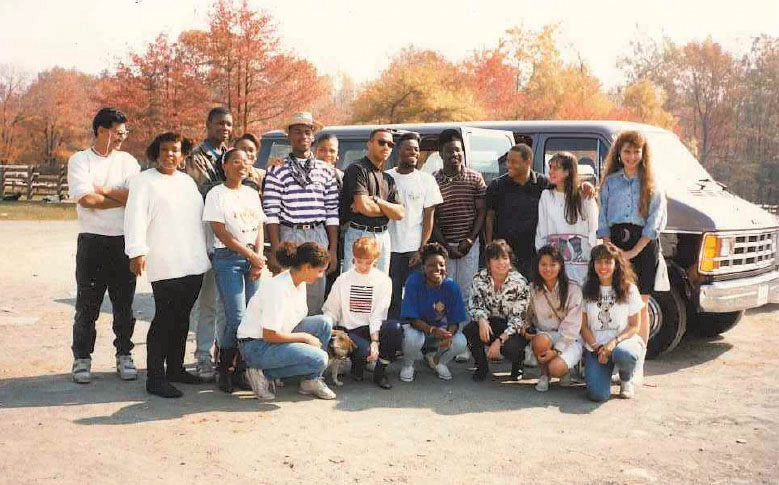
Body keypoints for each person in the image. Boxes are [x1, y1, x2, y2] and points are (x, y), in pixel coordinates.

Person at [125, 132, 212, 398]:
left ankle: (175, 368)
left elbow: (199, 218)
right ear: (156, 153)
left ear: (183, 154)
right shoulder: (143, 182)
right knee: (165, 318)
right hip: (165, 260)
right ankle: (155, 376)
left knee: (183, 317)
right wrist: (136, 251)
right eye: (165, 150)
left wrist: (208, 249)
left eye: (175, 150)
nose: (170, 155)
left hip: (193, 260)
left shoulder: (187, 182)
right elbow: (135, 217)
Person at [67, 107, 140, 384]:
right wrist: (119, 197)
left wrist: (103, 189)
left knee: (124, 305)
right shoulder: (80, 161)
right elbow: (86, 200)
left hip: (123, 241)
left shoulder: (128, 162)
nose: (122, 137)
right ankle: (82, 358)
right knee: (88, 305)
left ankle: (124, 354)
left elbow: (135, 196)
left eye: (125, 132)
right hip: (93, 241)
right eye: (118, 132)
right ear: (101, 130)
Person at [598, 131, 667, 360]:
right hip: (615, 245)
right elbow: (603, 217)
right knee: (617, 301)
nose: (631, 156)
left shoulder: (651, 182)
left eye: (636, 151)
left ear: (643, 153)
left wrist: (634, 251)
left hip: (643, 245)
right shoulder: (610, 181)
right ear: (619, 152)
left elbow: (655, 219)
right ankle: (617, 355)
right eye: (627, 151)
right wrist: (611, 249)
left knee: (640, 304)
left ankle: (638, 359)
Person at [237, 242, 337, 401]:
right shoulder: (278, 288)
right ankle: (261, 373)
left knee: (324, 323)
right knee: (320, 358)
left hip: (276, 337)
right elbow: (269, 335)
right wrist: (305, 338)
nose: (320, 276)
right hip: (256, 346)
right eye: (319, 271)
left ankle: (311, 381)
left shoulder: (300, 281)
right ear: (306, 267)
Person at [262, 112, 339, 315]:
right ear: (289, 135)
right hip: (290, 234)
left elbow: (332, 212)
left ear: (313, 137)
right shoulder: (277, 170)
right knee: (288, 291)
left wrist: (332, 250)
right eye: (297, 131)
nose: (303, 136)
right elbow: (271, 213)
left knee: (315, 292)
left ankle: (310, 341)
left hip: (317, 233)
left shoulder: (325, 171)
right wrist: (277, 248)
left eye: (307, 132)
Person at [203, 147, 266, 393]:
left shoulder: (251, 193)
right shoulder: (216, 194)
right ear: (225, 166)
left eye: (246, 161)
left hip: (252, 258)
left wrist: (258, 257)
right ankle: (224, 369)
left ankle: (241, 370)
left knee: (252, 317)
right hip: (228, 259)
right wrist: (250, 255)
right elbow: (220, 231)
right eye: (236, 161)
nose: (242, 165)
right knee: (236, 317)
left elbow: (259, 226)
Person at [185, 106, 234, 381]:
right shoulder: (196, 157)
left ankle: (224, 354)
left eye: (228, 125)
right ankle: (203, 356)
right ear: (208, 124)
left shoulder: (232, 155)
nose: (224, 129)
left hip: (232, 236)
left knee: (229, 304)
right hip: (206, 233)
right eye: (219, 124)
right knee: (208, 302)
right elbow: (205, 191)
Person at [322, 237, 403, 389]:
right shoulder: (343, 279)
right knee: (363, 351)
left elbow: (378, 314)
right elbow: (331, 309)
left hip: (372, 327)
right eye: (359, 261)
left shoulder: (383, 280)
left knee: (395, 329)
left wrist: (375, 341)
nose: (363, 266)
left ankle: (380, 371)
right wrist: (328, 328)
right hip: (350, 330)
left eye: (368, 262)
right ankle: (357, 366)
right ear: (353, 258)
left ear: (376, 260)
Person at [386, 132, 443, 318]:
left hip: (414, 250)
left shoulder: (426, 180)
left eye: (416, 150)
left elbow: (429, 217)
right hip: (388, 249)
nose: (413, 153)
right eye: (409, 148)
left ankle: (416, 336)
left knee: (415, 296)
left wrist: (422, 249)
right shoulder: (386, 177)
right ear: (398, 151)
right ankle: (393, 337)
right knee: (391, 297)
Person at [580, 243, 644, 401]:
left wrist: (613, 343)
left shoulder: (629, 289)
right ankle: (605, 373)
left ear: (616, 265)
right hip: (597, 348)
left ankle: (625, 377)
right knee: (598, 395)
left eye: (608, 262)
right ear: (593, 264)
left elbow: (635, 326)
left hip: (622, 343)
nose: (603, 267)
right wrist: (596, 347)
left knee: (624, 354)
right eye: (599, 262)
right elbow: (583, 326)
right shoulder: (586, 289)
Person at [398, 242, 468, 382]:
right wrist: (432, 330)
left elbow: (455, 320)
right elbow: (411, 319)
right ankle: (408, 365)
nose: (437, 268)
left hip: (438, 332)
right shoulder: (414, 281)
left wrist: (449, 334)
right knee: (413, 338)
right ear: (423, 268)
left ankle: (438, 361)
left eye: (441, 265)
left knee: (460, 341)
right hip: (417, 329)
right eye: (431, 265)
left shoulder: (451, 286)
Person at [462, 240, 531, 382]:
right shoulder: (479, 278)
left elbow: (519, 318)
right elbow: (475, 305)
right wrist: (482, 320)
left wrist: (500, 341)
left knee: (511, 348)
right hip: (489, 322)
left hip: (511, 327)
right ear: (488, 262)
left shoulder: (520, 282)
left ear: (510, 261)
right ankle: (481, 367)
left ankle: (518, 364)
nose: (501, 263)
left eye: (505, 258)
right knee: (470, 329)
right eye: (496, 258)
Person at [431, 129, 486, 301]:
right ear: (441, 154)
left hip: (468, 245)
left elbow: (482, 211)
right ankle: (446, 327)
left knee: (467, 291)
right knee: (443, 289)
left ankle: (464, 327)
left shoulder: (475, 178)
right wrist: (446, 247)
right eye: (450, 150)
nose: (455, 154)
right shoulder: (432, 181)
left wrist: (470, 239)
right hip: (444, 245)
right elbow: (431, 218)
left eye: (458, 150)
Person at [340, 128, 405, 274]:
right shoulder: (357, 169)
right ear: (369, 144)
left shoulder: (388, 179)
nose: (386, 147)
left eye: (390, 144)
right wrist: (388, 211)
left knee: (379, 286)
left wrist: (377, 200)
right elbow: (364, 207)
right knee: (355, 286)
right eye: (381, 142)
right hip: (360, 234)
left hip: (383, 236)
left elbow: (400, 213)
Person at [535, 151, 598, 285]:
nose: (551, 172)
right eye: (550, 167)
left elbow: (593, 228)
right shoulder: (546, 195)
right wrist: (543, 258)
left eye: (556, 168)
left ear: (568, 171)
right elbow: (541, 230)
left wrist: (593, 258)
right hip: (555, 263)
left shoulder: (584, 195)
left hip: (580, 263)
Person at [526, 245, 583, 392]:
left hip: (570, 339)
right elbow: (527, 315)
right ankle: (544, 375)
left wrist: (557, 351)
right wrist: (525, 328)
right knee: (539, 341)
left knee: (556, 368)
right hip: (545, 335)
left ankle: (562, 370)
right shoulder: (532, 289)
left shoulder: (573, 289)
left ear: (560, 266)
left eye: (553, 264)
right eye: (543, 264)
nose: (548, 269)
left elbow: (572, 327)